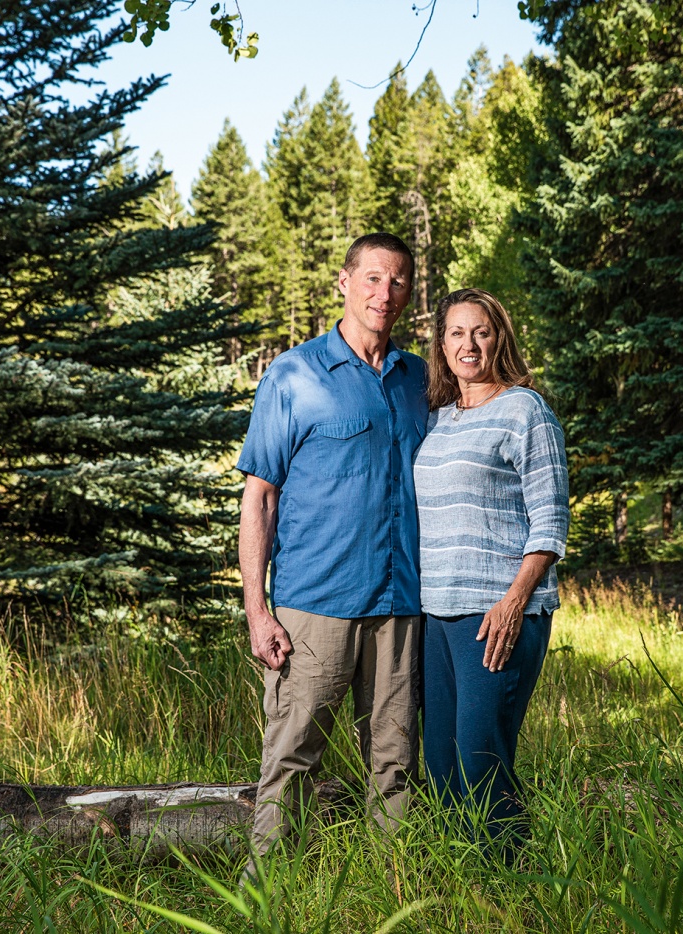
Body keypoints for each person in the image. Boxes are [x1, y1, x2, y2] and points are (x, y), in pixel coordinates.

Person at [236, 232, 427, 863]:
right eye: (372, 278)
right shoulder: (293, 375)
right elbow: (259, 498)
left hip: (401, 602)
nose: (385, 293)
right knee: (292, 759)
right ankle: (266, 897)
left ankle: (391, 888)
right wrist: (258, 611)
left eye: (398, 280)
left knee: (395, 761)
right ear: (344, 283)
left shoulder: (419, 379)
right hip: (314, 605)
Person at [414, 287, 569, 851]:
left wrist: (512, 603)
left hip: (498, 612)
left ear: (498, 336)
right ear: (442, 345)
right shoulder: (437, 418)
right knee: (440, 766)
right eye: (456, 333)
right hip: (436, 615)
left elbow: (550, 525)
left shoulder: (525, 410)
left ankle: (514, 883)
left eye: (480, 331)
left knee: (481, 760)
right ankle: (466, 890)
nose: (468, 344)